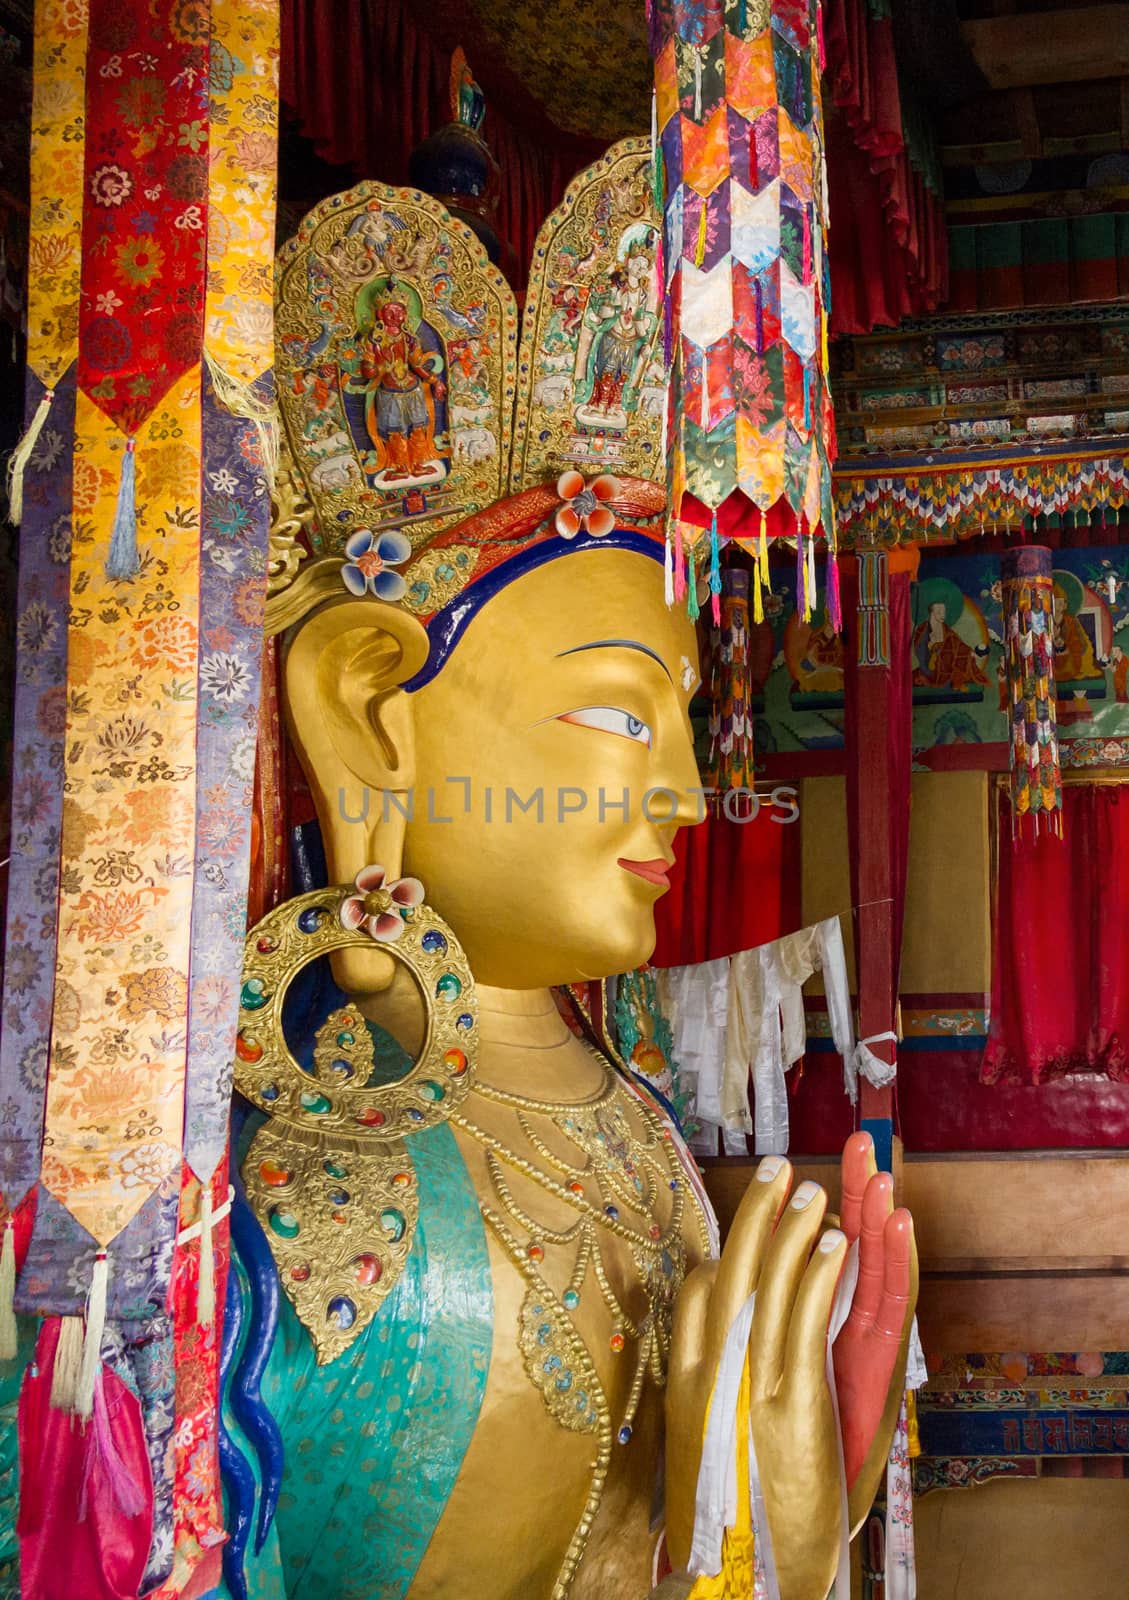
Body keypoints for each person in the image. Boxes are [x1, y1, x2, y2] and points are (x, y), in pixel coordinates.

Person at [214, 473, 916, 1600]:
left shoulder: (630, 1122)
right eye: (619, 716)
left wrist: (777, 1524)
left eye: (679, 724)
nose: (688, 794)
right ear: (364, 717)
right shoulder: (275, 1184)